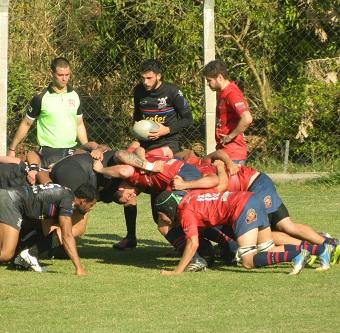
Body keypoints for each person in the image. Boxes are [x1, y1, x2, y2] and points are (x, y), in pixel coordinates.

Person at [154, 190, 332, 276]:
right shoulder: (190, 197)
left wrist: (177, 271)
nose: (162, 219)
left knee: (247, 260)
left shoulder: (185, 211)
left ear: (170, 208)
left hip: (242, 208)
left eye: (161, 215)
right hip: (251, 198)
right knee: (266, 247)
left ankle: (296, 254)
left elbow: (193, 243)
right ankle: (321, 250)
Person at [114, 59, 193, 249]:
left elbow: (188, 119)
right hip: (146, 147)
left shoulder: (172, 92)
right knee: (128, 189)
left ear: (158, 76)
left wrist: (167, 130)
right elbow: (138, 119)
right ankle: (130, 237)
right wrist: (137, 138)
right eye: (143, 78)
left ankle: (181, 243)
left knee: (158, 205)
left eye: (149, 78)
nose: (146, 82)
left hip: (167, 147)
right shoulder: (139, 92)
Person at [7, 57, 88, 169]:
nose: (64, 79)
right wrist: (12, 149)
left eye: (67, 75)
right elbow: (26, 123)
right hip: (49, 152)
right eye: (60, 75)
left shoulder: (75, 95)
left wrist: (86, 147)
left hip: (71, 150)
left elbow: (79, 124)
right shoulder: (41, 98)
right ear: (52, 73)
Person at [202, 59, 252, 164]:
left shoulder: (232, 94)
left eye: (209, 80)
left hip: (233, 153)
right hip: (225, 151)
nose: (208, 84)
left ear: (220, 77)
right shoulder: (222, 93)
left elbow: (247, 118)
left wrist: (230, 137)